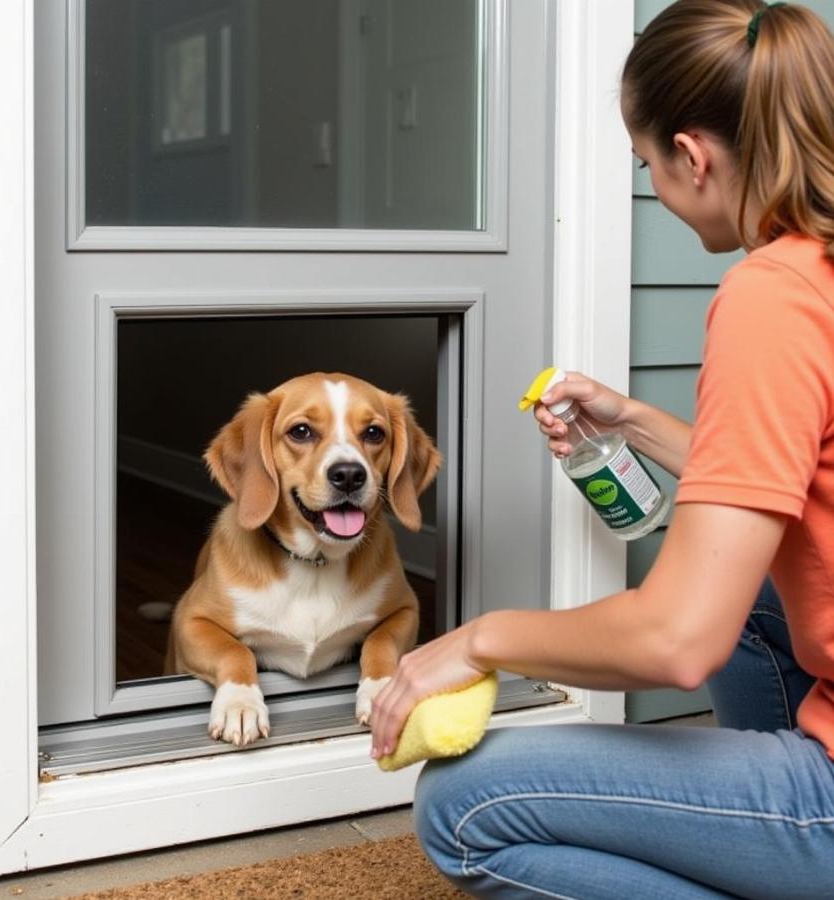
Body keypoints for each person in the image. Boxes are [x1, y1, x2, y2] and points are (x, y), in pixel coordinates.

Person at [368, 1, 834, 895]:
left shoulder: (773, 296)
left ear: (692, 156)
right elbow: (797, 494)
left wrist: (477, 641)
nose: (657, 188)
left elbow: (675, 641)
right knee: (747, 593)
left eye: (648, 165)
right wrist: (630, 420)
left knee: (462, 806)